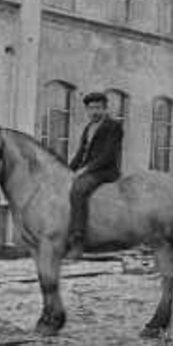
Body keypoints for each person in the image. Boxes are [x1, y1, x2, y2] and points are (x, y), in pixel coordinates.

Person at [66, 91, 124, 259]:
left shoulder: (113, 126)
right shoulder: (88, 128)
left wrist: (86, 169)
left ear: (105, 109)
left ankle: (78, 241)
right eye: (91, 108)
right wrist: (67, 170)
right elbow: (80, 154)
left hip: (105, 171)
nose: (94, 112)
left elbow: (109, 155)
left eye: (98, 108)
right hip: (90, 170)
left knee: (78, 190)